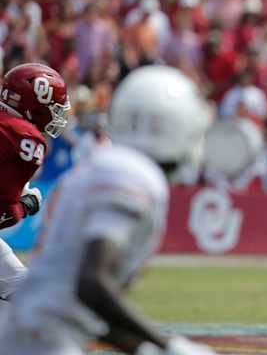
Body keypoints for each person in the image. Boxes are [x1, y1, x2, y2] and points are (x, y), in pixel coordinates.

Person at [0, 66, 218, 355]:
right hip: (43, 337)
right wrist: (168, 345)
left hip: (42, 329)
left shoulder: (108, 166)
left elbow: (77, 308)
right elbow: (91, 285)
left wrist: (148, 348)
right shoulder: (129, 175)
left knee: (19, 288)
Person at [0, 63, 70, 308]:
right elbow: (4, 214)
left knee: (22, 291)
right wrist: (25, 205)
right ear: (36, 104)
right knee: (28, 298)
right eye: (55, 108)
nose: (58, 115)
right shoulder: (24, 138)